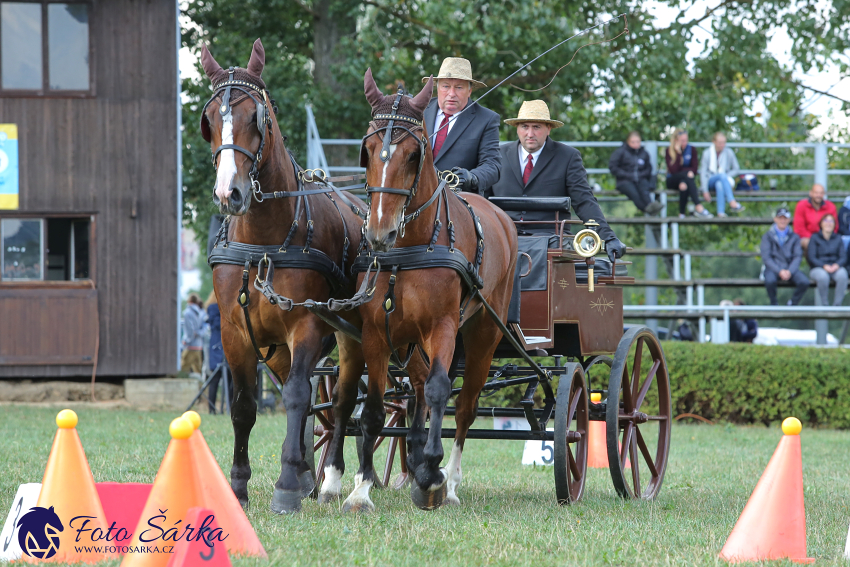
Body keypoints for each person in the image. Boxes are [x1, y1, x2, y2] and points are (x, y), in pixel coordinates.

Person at [487, 99, 626, 261]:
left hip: (550, 237)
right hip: (502, 234)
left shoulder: (568, 157)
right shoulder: (497, 155)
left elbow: (584, 201)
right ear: (517, 129)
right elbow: (482, 199)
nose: (530, 134)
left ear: (549, 129)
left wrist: (608, 237)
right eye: (525, 127)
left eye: (536, 127)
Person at [422, 57, 501, 195]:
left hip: (459, 203)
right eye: (446, 86)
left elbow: (492, 166)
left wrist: (472, 177)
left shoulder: (487, 119)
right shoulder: (418, 111)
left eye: (459, 87)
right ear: (437, 87)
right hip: (416, 201)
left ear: (469, 91)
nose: (451, 94)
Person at [760, 207, 809, 306]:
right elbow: (766, 258)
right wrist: (779, 271)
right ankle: (774, 303)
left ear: (789, 220)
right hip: (773, 268)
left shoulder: (795, 237)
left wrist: (789, 271)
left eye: (785, 218)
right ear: (775, 219)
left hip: (789, 268)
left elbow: (797, 256)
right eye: (780, 218)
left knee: (804, 282)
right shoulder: (767, 236)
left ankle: (792, 304)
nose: (782, 220)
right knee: (770, 281)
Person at [608, 131, 665, 215]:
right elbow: (613, 167)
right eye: (633, 142)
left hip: (640, 179)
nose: (635, 144)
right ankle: (649, 209)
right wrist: (627, 175)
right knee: (634, 194)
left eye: (638, 142)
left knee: (644, 189)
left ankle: (650, 206)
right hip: (624, 181)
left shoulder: (644, 153)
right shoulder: (620, 152)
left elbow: (648, 169)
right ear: (628, 141)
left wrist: (640, 175)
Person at [665, 128, 712, 218]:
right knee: (688, 175)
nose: (685, 143)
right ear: (676, 140)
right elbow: (674, 170)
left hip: (685, 180)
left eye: (686, 140)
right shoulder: (669, 151)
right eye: (682, 141)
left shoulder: (692, 149)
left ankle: (681, 214)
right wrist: (678, 153)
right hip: (672, 180)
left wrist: (685, 173)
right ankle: (698, 206)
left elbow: (694, 168)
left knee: (684, 185)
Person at [699, 132, 745, 217]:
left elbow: (736, 169)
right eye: (720, 143)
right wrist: (705, 190)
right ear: (714, 142)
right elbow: (703, 173)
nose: (722, 145)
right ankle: (732, 202)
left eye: (724, 142)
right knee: (722, 176)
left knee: (720, 183)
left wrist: (726, 176)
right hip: (710, 180)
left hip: (723, 181)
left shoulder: (729, 152)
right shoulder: (707, 153)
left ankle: (721, 213)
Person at [807, 214, 848, 307]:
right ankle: (825, 306)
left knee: (843, 275)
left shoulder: (838, 238)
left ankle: (837, 306)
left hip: (835, 267)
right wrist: (823, 266)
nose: (828, 223)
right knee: (823, 277)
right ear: (821, 224)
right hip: (818, 268)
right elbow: (812, 257)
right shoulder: (814, 238)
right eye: (826, 221)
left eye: (831, 221)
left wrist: (837, 265)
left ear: (834, 224)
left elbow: (843, 257)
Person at [793, 183, 838, 253]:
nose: (818, 195)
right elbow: (799, 229)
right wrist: (815, 239)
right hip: (807, 238)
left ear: (824, 194)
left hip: (826, 237)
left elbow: (835, 227)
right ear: (811, 193)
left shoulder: (831, 206)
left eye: (821, 193)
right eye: (816, 193)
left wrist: (823, 239)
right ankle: (815, 264)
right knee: (809, 243)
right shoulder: (801, 205)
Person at [205, 290, 229, 413]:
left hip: (227, 346)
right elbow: (216, 324)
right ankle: (212, 409)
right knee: (215, 378)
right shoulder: (213, 308)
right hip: (217, 346)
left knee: (230, 379)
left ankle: (229, 408)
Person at [181, 293, 206, 374]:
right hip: (199, 346)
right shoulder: (202, 312)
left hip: (190, 346)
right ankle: (201, 387)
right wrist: (199, 333)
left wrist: (186, 341)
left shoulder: (187, 313)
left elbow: (190, 331)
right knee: (198, 371)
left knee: (183, 370)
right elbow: (205, 327)